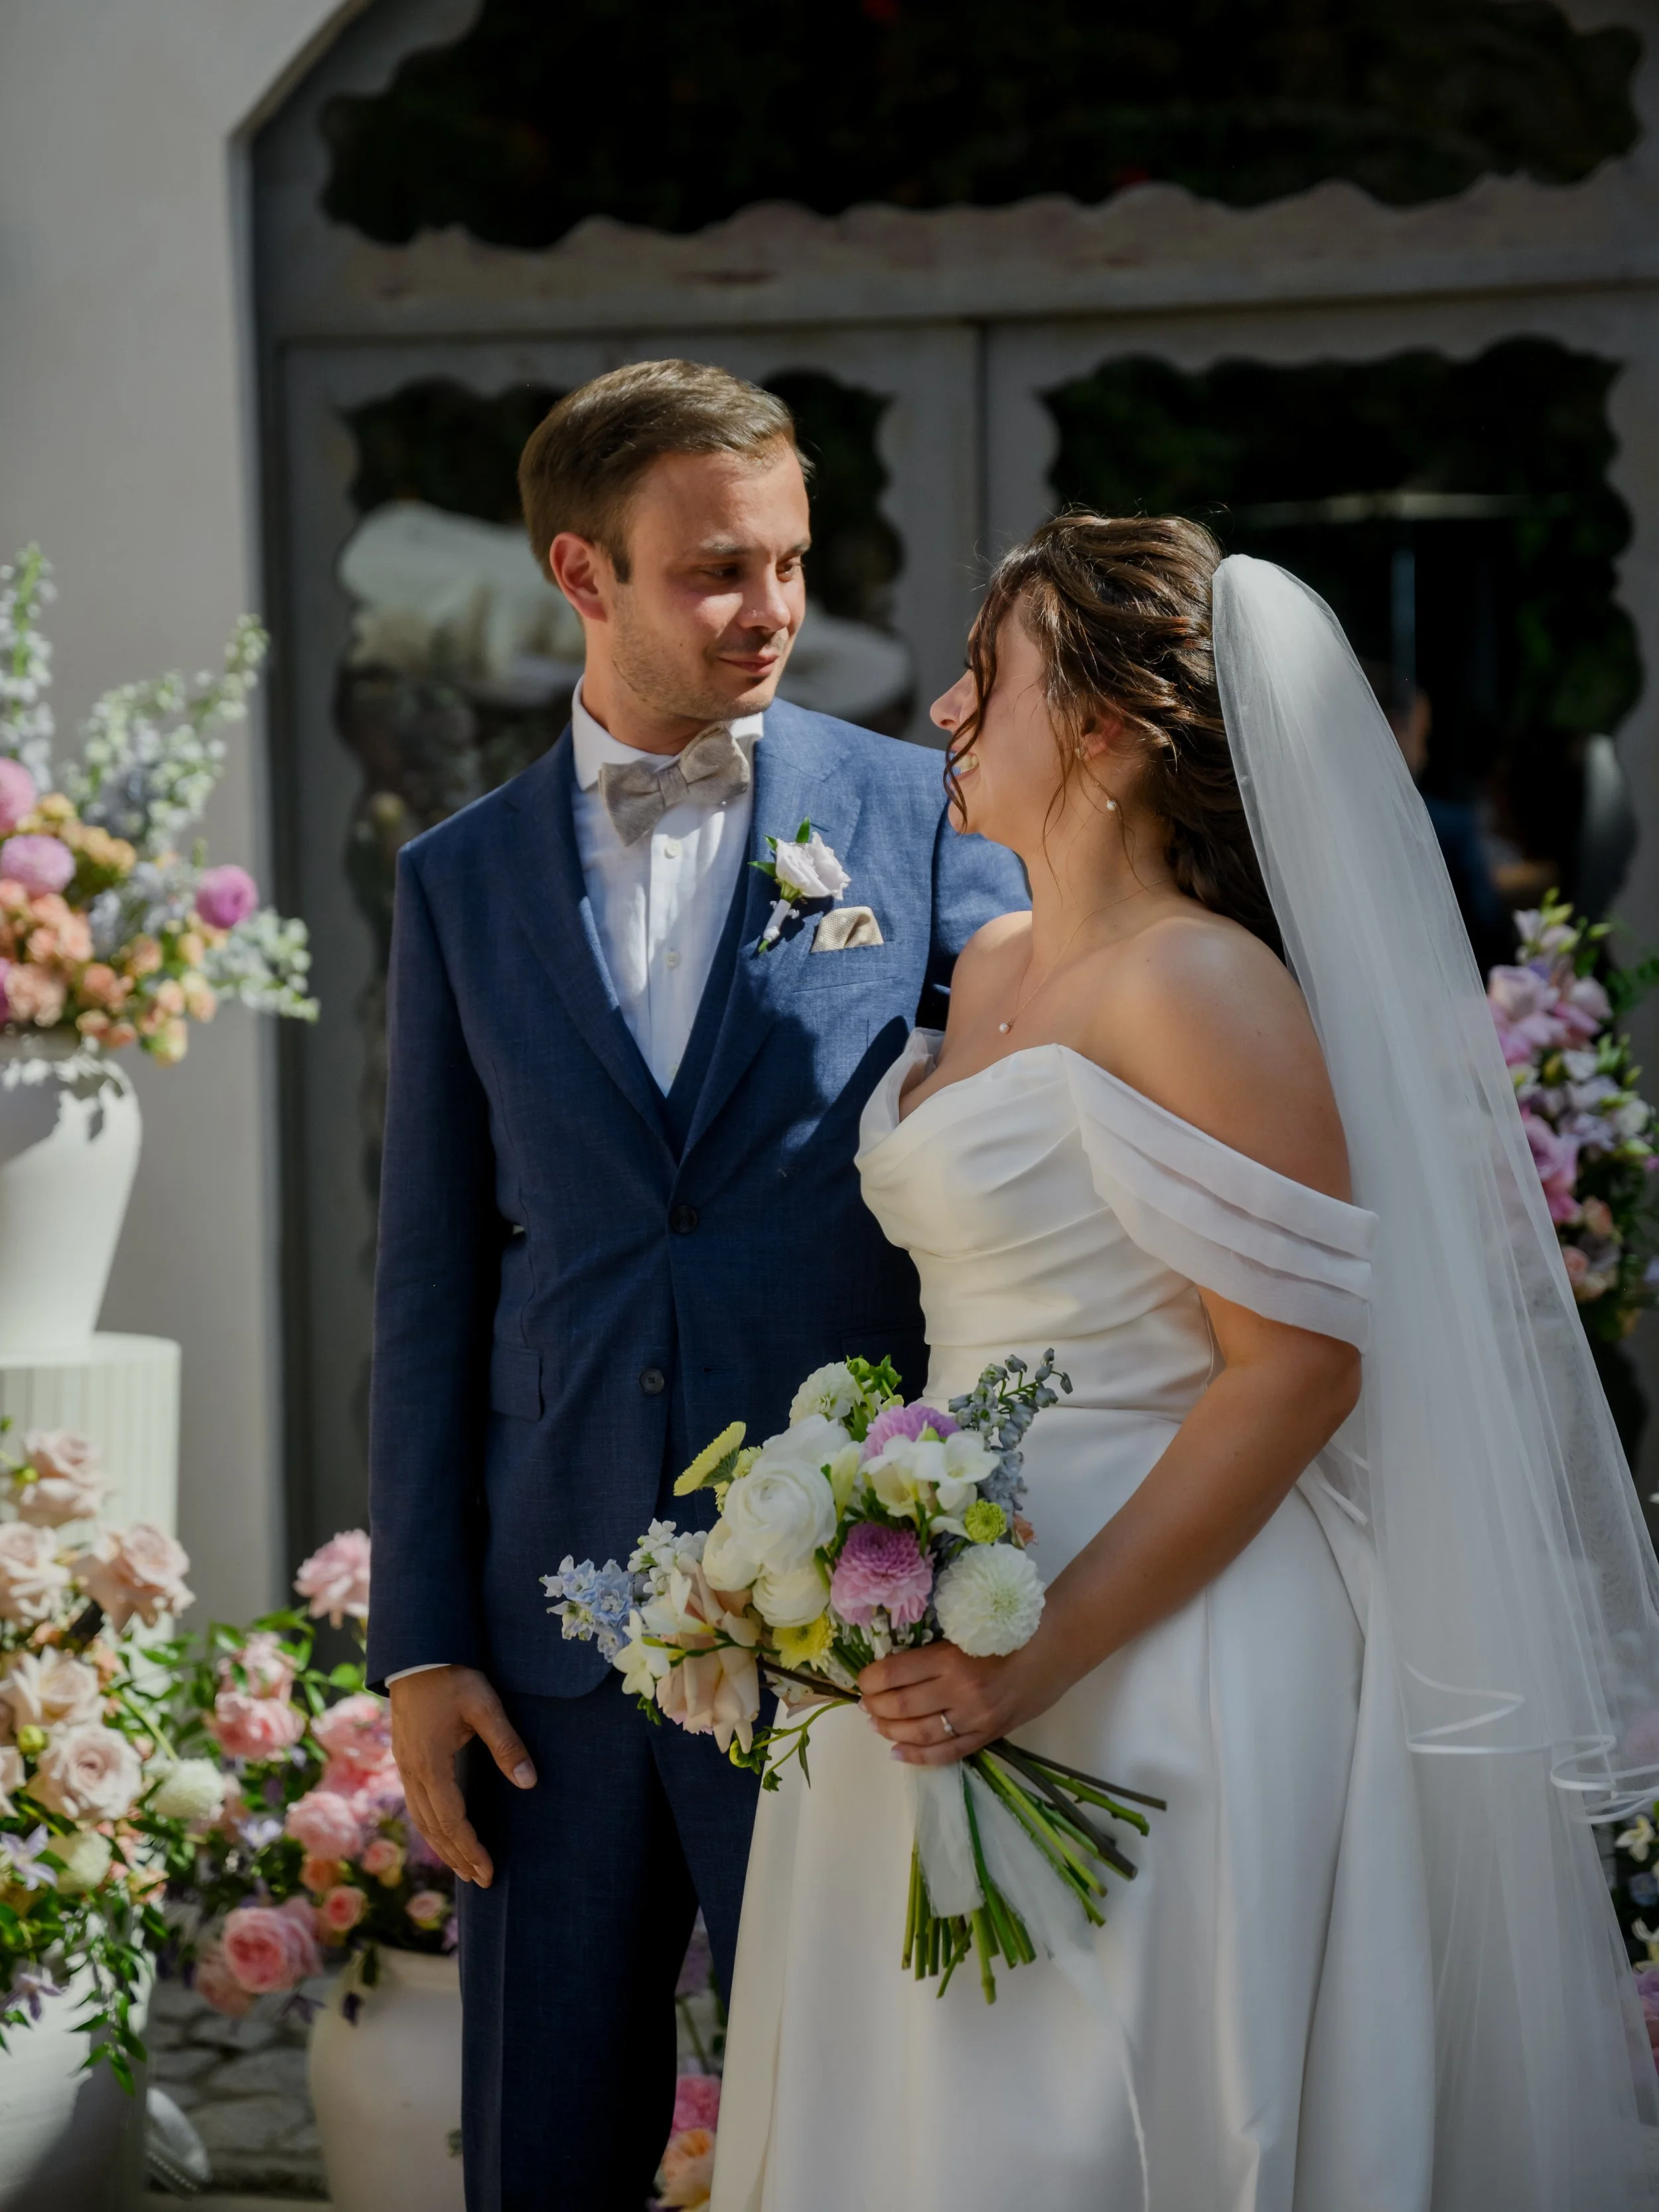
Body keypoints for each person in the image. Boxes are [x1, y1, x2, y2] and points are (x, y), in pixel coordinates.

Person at [712, 517, 1659, 2211]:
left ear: (1100, 728)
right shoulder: (991, 959)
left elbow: (1294, 1372)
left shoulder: (1202, 988)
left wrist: (1038, 1651)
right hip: (935, 1597)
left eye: (982, 676)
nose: (937, 706)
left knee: (1111, 2118)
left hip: (1156, 1636)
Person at [365, 359, 1025, 2211]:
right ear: (582, 573)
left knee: (867, 2139)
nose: (774, 613)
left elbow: (1022, 1144)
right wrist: (419, 1636)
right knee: (545, 2143)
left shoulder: (917, 813)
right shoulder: (455, 880)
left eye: (792, 563)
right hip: (546, 1641)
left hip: (845, 1621)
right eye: (717, 572)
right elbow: (424, 1281)